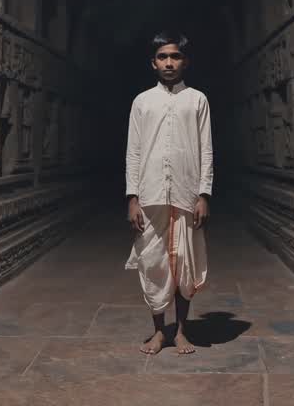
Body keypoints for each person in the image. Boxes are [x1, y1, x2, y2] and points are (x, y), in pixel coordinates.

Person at [124, 31, 213, 355]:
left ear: (184, 61)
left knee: (184, 266)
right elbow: (133, 152)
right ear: (153, 63)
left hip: (187, 195)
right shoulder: (142, 102)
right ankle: (159, 332)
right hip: (150, 195)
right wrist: (132, 196)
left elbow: (206, 150)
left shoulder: (197, 100)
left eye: (175, 56)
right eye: (163, 57)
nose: (169, 62)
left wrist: (204, 193)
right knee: (154, 264)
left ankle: (182, 332)